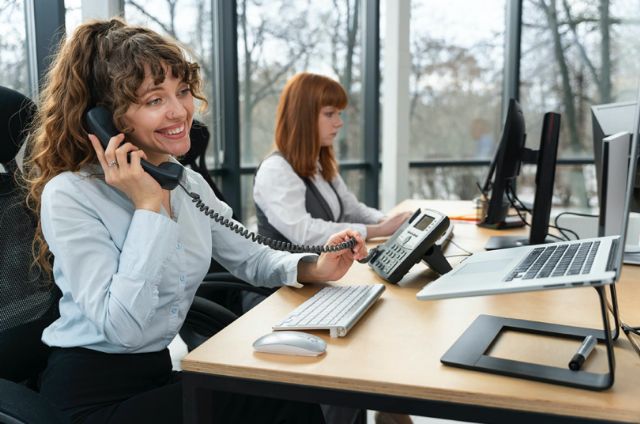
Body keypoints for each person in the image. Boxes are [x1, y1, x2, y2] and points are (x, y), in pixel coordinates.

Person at [23, 18, 366, 424]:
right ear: (106, 118)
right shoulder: (72, 194)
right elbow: (123, 329)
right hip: (91, 399)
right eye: (154, 100)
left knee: (285, 392)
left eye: (182, 91)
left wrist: (314, 265)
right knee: (276, 400)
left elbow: (251, 257)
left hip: (154, 378)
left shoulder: (184, 182)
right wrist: (151, 209)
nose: (179, 111)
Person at [254, 72, 412, 247]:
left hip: (327, 268)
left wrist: (387, 221)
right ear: (302, 117)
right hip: (294, 273)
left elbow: (352, 210)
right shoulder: (275, 170)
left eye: (339, 113)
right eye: (330, 114)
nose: (339, 122)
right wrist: (379, 230)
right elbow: (304, 233)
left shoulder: (318, 164)